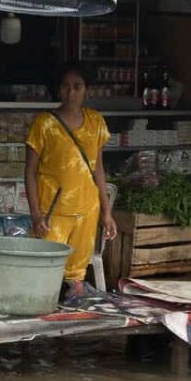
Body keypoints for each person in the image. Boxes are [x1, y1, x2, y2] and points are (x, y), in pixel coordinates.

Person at [24, 63, 117, 299]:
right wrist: (35, 213)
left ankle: (72, 307)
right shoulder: (44, 123)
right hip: (52, 211)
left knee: (77, 272)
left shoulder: (96, 122)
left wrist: (106, 212)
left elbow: (98, 170)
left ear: (87, 90)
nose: (71, 92)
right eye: (65, 86)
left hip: (87, 209)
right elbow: (30, 172)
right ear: (58, 90)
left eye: (77, 86)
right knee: (44, 267)